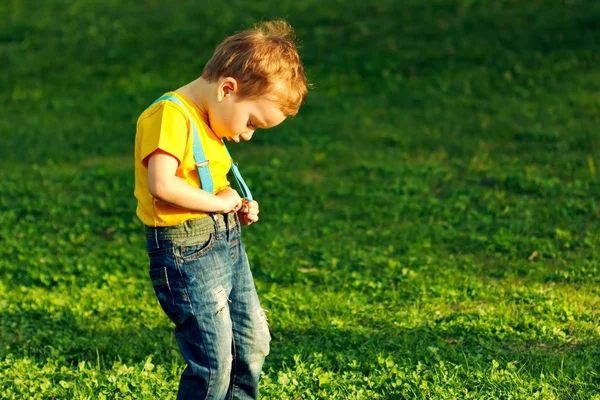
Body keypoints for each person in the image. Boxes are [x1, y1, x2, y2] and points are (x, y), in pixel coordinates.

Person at [133, 20, 309, 399]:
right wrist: (217, 203)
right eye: (251, 123)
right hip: (187, 252)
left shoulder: (210, 118)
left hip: (225, 243)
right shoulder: (171, 116)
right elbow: (162, 185)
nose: (247, 135)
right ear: (227, 89)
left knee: (252, 341)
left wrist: (234, 203)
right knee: (214, 361)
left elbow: (202, 180)